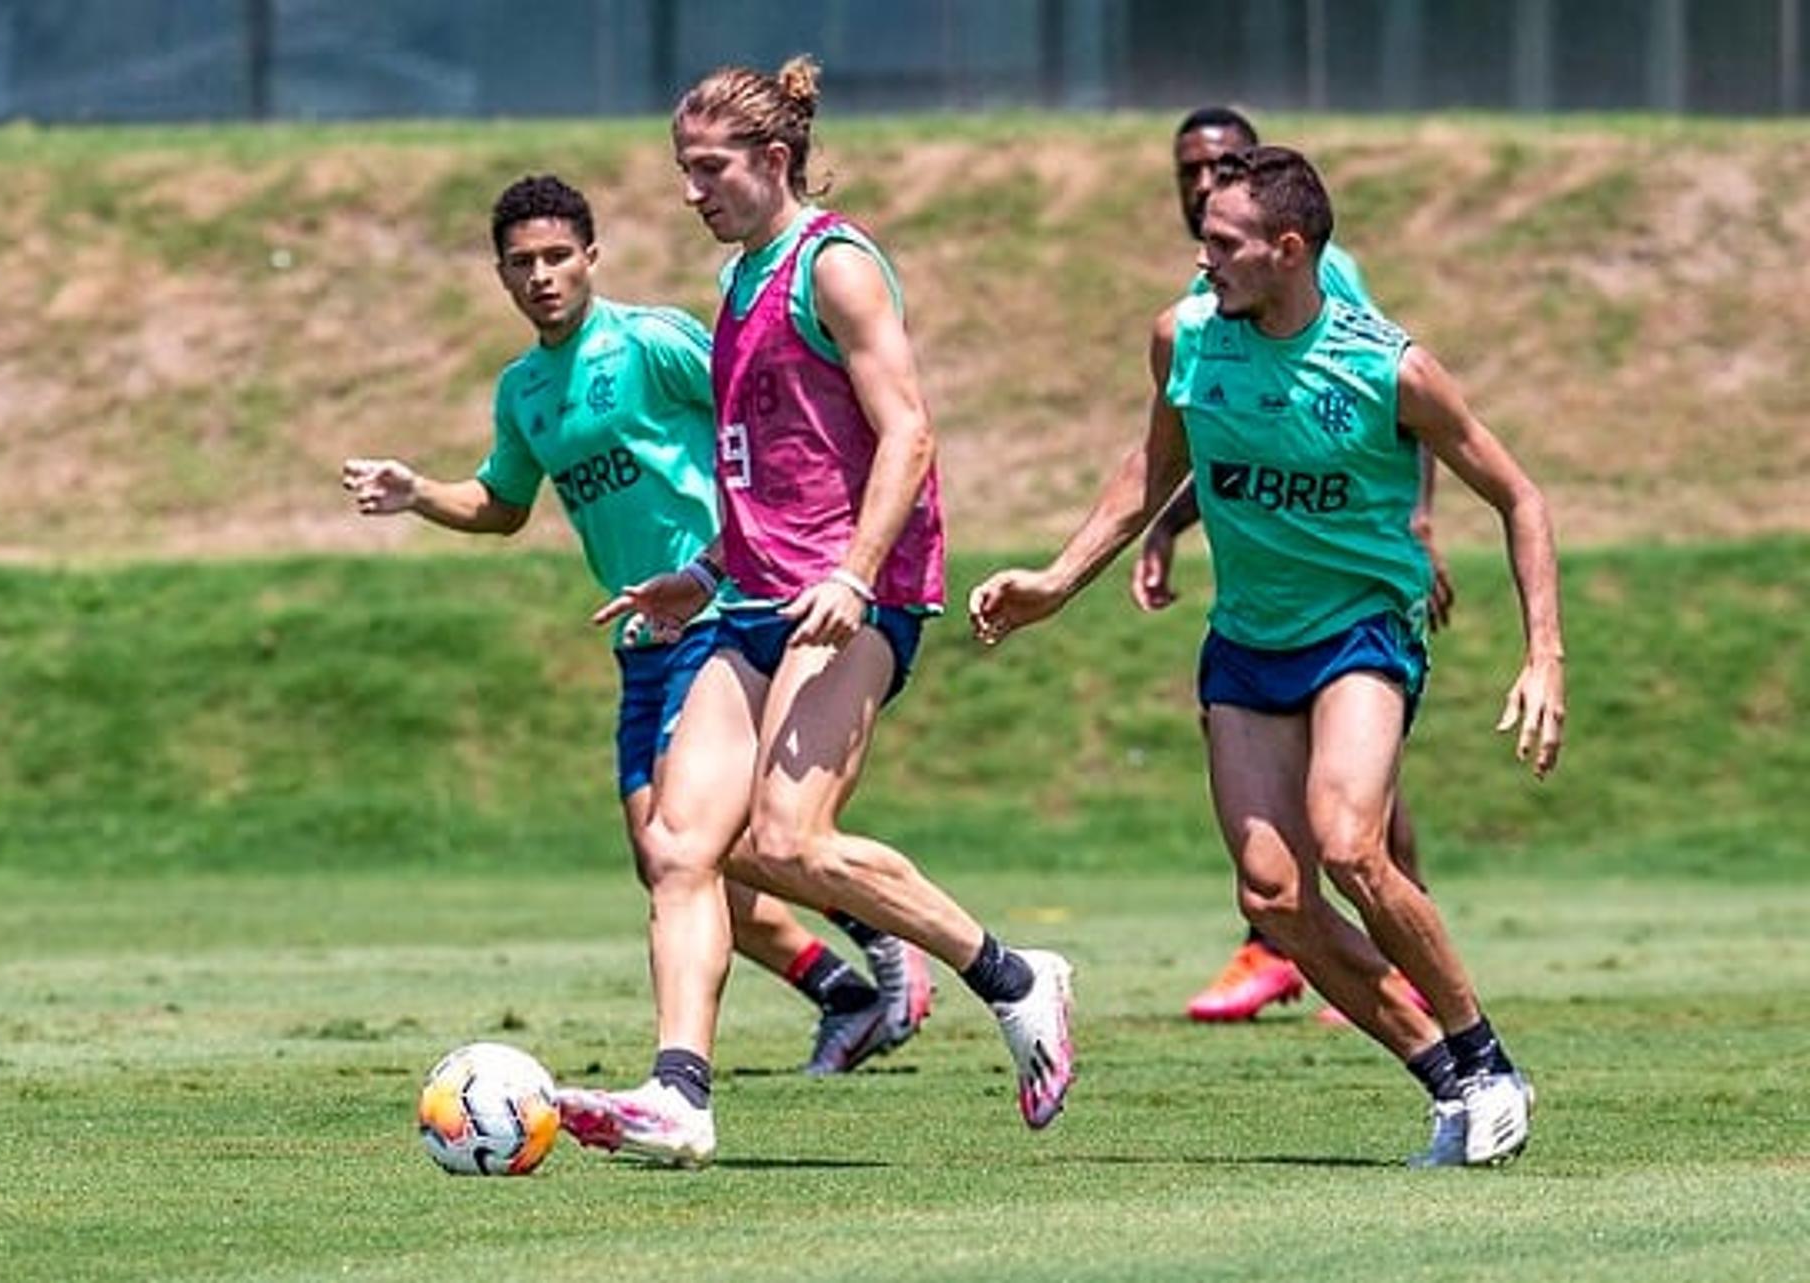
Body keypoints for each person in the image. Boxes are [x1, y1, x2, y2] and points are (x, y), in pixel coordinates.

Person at [969, 145, 1563, 1167]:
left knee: (1348, 844)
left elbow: (1521, 496)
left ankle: (1492, 1060)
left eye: (1224, 244)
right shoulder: (1186, 338)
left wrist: (1542, 653)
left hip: (1360, 628)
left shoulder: (1389, 365)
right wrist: (1059, 580)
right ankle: (1451, 1082)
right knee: (1271, 896)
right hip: (1245, 639)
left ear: (1289, 251)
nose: (1204, 262)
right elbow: (1150, 467)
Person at [554, 56, 1076, 1168]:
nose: (690, 191)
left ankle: (1016, 976)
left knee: (790, 839)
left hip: (856, 596)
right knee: (681, 843)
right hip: (742, 598)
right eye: (682, 171)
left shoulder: (832, 265)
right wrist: (697, 568)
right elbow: (768, 469)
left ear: (774, 160)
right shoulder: (739, 281)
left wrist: (852, 571)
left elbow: (908, 432)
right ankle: (679, 1092)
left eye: (708, 169)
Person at [340, 173, 934, 1080]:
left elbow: (762, 414)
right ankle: (844, 992)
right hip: (640, 639)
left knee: (693, 846)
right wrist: (417, 492)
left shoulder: (651, 343)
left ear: (590, 258)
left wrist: (777, 548)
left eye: (555, 257)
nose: (540, 276)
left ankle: (879, 938)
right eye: (520, 263)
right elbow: (502, 504)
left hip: (721, 606)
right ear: (500, 276)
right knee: (662, 860)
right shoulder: (525, 391)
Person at [1139, 106, 1451, 1024]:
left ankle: (1356, 952)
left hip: (1350, 574)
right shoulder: (1210, 300)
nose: (1203, 181)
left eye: (1223, 164)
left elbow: (1381, 400)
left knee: (1348, 804)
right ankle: (1307, 939)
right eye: (1188, 169)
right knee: (1311, 792)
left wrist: (1420, 524)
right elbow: (1241, 437)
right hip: (1260, 598)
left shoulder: (1315, 274)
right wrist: (1165, 525)